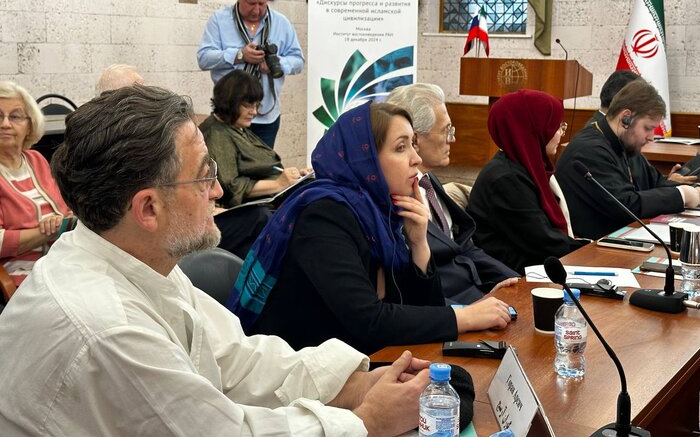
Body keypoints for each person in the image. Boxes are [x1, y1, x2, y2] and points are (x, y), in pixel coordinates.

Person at [0, 85, 432, 436]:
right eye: (205, 174)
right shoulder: (111, 328)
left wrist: (355, 385)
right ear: (148, 208)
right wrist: (367, 422)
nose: (219, 191)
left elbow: (236, 359)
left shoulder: (138, 258)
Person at [229, 101, 513, 355]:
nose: (416, 158)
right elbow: (368, 321)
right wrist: (464, 317)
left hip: (362, 356)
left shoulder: (381, 212)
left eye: (414, 145)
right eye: (401, 147)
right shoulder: (324, 215)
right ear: (366, 160)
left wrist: (419, 245)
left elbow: (421, 310)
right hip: (312, 369)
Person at [385, 83, 518, 303]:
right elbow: (406, 290)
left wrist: (518, 282)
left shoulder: (428, 180)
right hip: (448, 308)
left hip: (478, 295)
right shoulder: (393, 197)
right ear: (415, 140)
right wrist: (467, 314)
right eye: (446, 130)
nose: (452, 139)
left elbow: (464, 247)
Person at [556, 79, 700, 239]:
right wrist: (682, 195)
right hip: (592, 246)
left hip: (621, 237)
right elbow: (625, 205)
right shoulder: (589, 150)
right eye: (648, 128)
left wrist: (694, 190)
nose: (651, 137)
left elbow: (656, 182)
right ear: (626, 118)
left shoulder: (625, 142)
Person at [468, 90, 589, 273]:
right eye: (556, 126)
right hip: (516, 277)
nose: (561, 134)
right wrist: (591, 251)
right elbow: (544, 241)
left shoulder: (526, 167)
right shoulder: (505, 179)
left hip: (540, 267)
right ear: (533, 129)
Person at [197, 0, 304, 148]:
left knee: (262, 164)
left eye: (262, 3)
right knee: (225, 164)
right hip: (229, 115)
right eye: (251, 3)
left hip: (266, 117)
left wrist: (277, 63)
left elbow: (298, 61)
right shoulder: (219, 20)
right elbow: (203, 58)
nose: (257, 10)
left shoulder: (281, 23)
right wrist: (238, 55)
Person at [0, 81, 73, 289]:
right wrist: (49, 231)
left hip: (64, 262)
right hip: (25, 276)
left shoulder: (36, 160)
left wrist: (62, 220)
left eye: (15, 116)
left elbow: (65, 211)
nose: (5, 124)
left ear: (30, 125)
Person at [200, 70, 309, 208]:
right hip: (256, 208)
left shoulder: (235, 126)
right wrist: (278, 184)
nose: (254, 112)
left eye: (256, 105)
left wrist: (294, 177)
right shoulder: (217, 134)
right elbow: (232, 187)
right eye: (248, 106)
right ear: (229, 103)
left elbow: (260, 169)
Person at [589, 70, 697, 185]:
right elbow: (624, 193)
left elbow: (643, 181)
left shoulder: (623, 132)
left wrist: (668, 183)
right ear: (621, 99)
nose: (651, 137)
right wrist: (673, 189)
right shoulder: (596, 142)